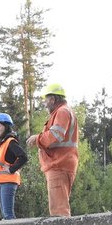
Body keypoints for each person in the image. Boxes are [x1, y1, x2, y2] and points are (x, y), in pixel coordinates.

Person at [25, 83, 78, 217]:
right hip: (61, 165)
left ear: (53, 99)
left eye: (46, 99)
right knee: (59, 208)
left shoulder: (62, 112)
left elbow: (55, 135)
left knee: (59, 212)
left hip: (58, 165)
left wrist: (37, 139)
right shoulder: (64, 111)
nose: (44, 103)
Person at [0, 112, 28, 220]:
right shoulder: (2, 142)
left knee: (8, 215)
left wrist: (11, 169)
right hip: (0, 181)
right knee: (5, 216)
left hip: (8, 181)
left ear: (6, 127)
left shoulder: (10, 141)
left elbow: (23, 157)